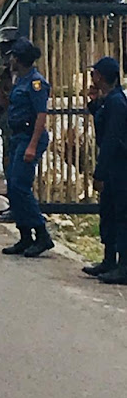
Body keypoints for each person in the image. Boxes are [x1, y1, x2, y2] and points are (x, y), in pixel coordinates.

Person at [2, 37, 55, 257]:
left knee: (21, 185)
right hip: (18, 137)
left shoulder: (36, 82)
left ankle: (42, 235)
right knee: (13, 187)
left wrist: (32, 146)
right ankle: (25, 236)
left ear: (19, 59)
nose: (10, 60)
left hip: (29, 137)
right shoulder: (20, 80)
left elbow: (41, 115)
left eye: (13, 56)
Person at [82, 57, 127, 285]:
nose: (92, 77)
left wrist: (100, 173)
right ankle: (109, 260)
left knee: (122, 216)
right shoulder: (109, 100)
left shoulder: (118, 103)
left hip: (119, 167)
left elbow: (111, 140)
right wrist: (93, 103)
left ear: (101, 76)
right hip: (112, 166)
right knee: (108, 213)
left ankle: (123, 266)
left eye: (94, 73)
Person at [0, 26, 19, 220]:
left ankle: (17, 207)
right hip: (6, 120)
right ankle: (13, 204)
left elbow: (13, 96)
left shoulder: (19, 71)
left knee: (15, 165)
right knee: (8, 163)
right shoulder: (4, 70)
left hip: (15, 122)